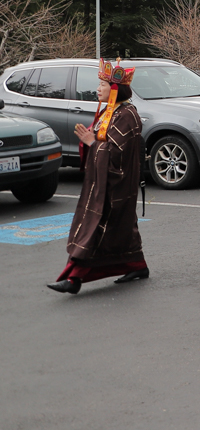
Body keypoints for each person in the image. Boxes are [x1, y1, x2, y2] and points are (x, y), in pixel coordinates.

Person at [47, 60, 147, 294]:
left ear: (115, 89)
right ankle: (137, 265)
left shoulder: (127, 114)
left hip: (116, 183)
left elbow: (118, 153)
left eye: (102, 85)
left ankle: (74, 278)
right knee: (121, 228)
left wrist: (92, 143)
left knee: (96, 228)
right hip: (102, 181)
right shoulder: (110, 111)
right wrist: (90, 141)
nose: (98, 89)